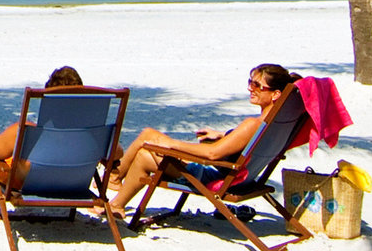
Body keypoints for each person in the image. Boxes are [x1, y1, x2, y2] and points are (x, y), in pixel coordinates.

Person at [104, 64, 300, 218]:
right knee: (145, 155)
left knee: (149, 136)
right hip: (239, 176)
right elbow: (248, 142)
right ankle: (116, 204)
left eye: (257, 85)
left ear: (275, 94)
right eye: (250, 82)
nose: (251, 89)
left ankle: (113, 179)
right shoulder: (274, 125)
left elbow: (212, 154)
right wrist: (225, 135)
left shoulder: (253, 124)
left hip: (215, 177)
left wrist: (172, 145)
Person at [0, 66, 86, 186]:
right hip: (74, 187)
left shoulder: (25, 133)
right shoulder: (92, 137)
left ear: (47, 102)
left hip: (34, 186)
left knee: (6, 161)